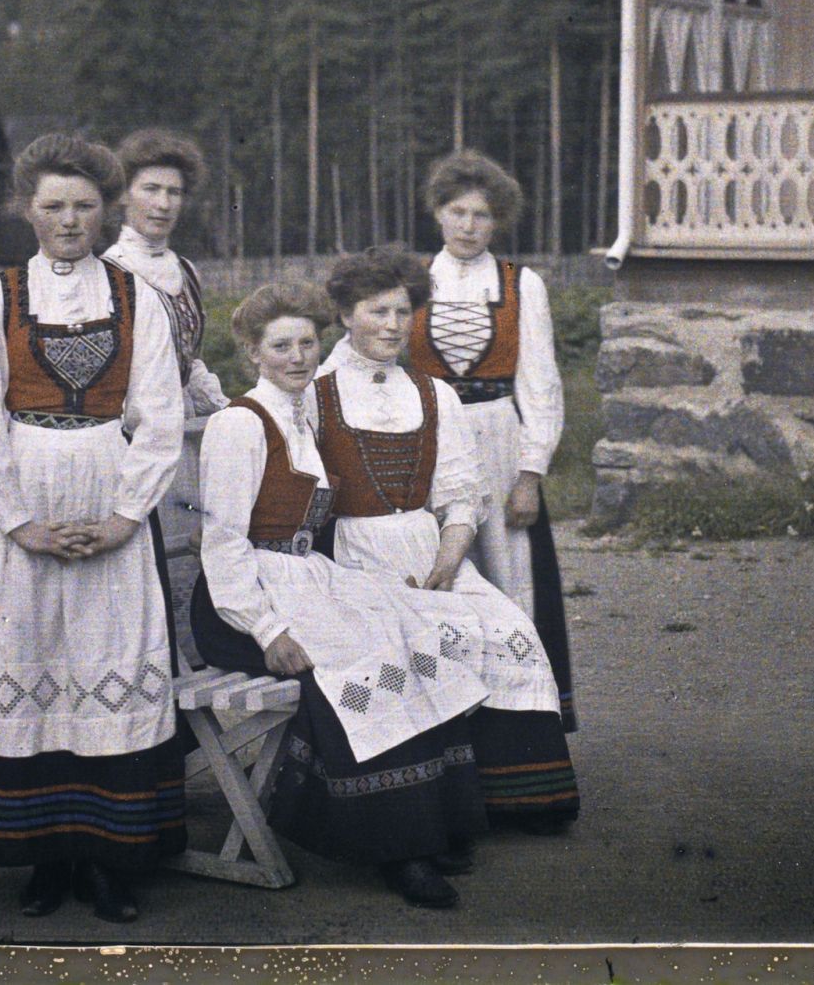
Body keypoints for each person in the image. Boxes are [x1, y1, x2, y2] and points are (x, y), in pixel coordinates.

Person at [0, 133, 188, 925]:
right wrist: (22, 523)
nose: (69, 220)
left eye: (83, 205)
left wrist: (122, 518)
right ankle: (40, 856)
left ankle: (110, 860)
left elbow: (162, 417)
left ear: (105, 210)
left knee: (106, 661)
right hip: (24, 507)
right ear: (26, 210)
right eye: (52, 205)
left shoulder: (138, 298)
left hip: (110, 497)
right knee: (32, 658)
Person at [188, 281, 493, 909]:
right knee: (366, 662)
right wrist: (269, 630)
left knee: (411, 634)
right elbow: (222, 545)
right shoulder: (239, 424)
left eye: (307, 343)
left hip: (301, 579)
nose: (298, 357)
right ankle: (399, 850)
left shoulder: (303, 414)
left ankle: (431, 827)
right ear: (253, 352)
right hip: (243, 604)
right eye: (281, 346)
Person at [314, 245, 581, 836]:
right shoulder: (318, 391)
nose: (391, 326)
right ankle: (420, 811)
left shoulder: (432, 393)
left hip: (432, 554)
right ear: (345, 316)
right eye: (376, 312)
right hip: (354, 559)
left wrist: (449, 559)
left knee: (508, 627)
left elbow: (462, 495)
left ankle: (516, 797)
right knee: (407, 647)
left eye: (402, 313)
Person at [411, 150, 578, 732]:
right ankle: (451, 730)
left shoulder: (520, 283)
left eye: (481, 216)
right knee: (438, 581)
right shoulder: (413, 282)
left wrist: (530, 473)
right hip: (431, 440)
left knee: (512, 585)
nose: (468, 226)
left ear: (497, 221)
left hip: (500, 436)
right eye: (457, 212)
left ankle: (522, 730)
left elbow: (541, 384)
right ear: (437, 213)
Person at [102, 129, 232, 547]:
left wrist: (223, 409)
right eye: (151, 189)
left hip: (183, 436)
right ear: (124, 195)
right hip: (126, 441)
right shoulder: (108, 273)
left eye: (174, 192)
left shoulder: (187, 271)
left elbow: (188, 361)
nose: (163, 204)